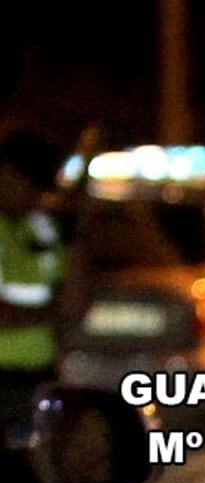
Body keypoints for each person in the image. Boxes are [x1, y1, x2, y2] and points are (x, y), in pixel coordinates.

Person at [0, 130, 78, 458]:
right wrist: (51, 313)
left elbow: (76, 303)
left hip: (38, 381)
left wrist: (79, 233)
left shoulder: (43, 229)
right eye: (26, 181)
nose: (34, 194)